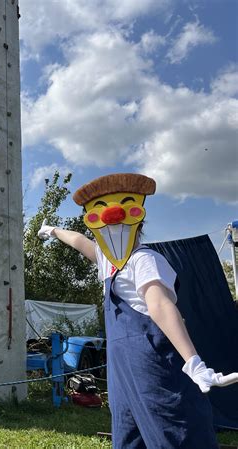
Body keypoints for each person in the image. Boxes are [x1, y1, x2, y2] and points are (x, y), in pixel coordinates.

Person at [38, 173, 238, 449]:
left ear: (137, 223)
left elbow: (160, 305)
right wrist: (53, 230)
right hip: (124, 376)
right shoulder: (109, 264)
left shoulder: (144, 260)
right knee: (130, 438)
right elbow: (80, 242)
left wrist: (193, 362)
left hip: (154, 370)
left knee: (175, 434)